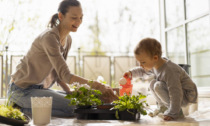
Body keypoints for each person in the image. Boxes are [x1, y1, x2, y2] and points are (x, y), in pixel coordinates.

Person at [7, 0, 117, 117]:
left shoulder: (68, 39)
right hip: (21, 91)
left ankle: (28, 107)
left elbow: (59, 75)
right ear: (61, 16)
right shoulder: (49, 38)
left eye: (81, 18)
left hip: (38, 90)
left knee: (84, 103)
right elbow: (66, 74)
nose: (78, 22)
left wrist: (69, 92)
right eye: (74, 17)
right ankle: (19, 108)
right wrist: (98, 86)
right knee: (75, 107)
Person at [123, 37, 198, 121]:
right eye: (139, 62)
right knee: (152, 83)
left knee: (158, 85)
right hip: (179, 92)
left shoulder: (169, 70)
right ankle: (163, 107)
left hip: (186, 95)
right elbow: (143, 71)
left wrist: (174, 112)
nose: (141, 65)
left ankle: (177, 112)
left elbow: (175, 92)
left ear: (155, 58)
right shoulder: (155, 65)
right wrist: (131, 73)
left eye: (143, 62)